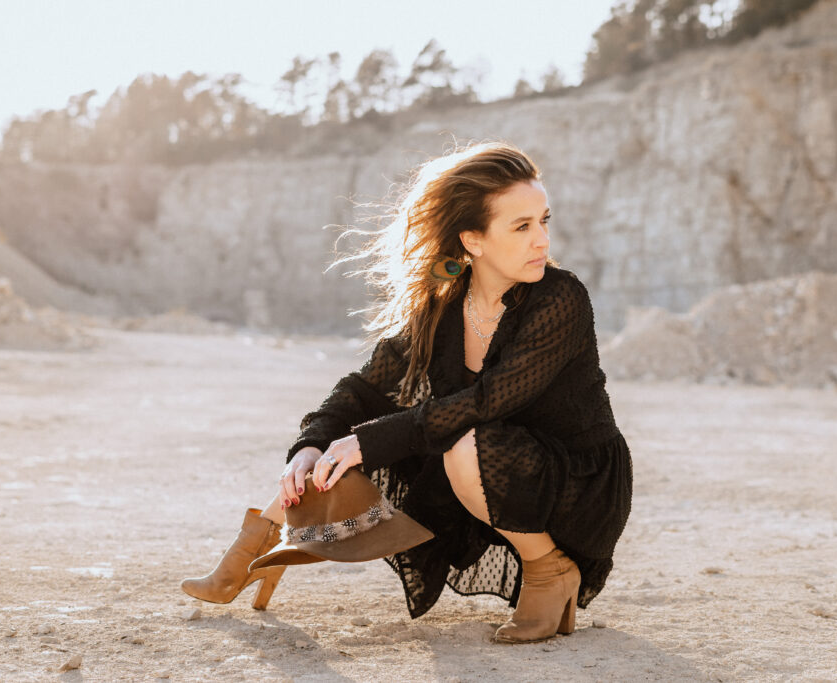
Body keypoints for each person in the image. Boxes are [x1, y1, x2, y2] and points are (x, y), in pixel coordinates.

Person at [181, 140, 633, 644]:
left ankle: (549, 568)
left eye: (544, 220)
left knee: (444, 437)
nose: (542, 241)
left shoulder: (561, 297)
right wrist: (310, 445)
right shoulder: (444, 305)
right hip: (488, 472)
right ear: (473, 240)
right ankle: (253, 549)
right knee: (353, 440)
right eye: (523, 226)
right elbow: (364, 387)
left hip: (573, 478)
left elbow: (488, 402)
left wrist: (368, 442)